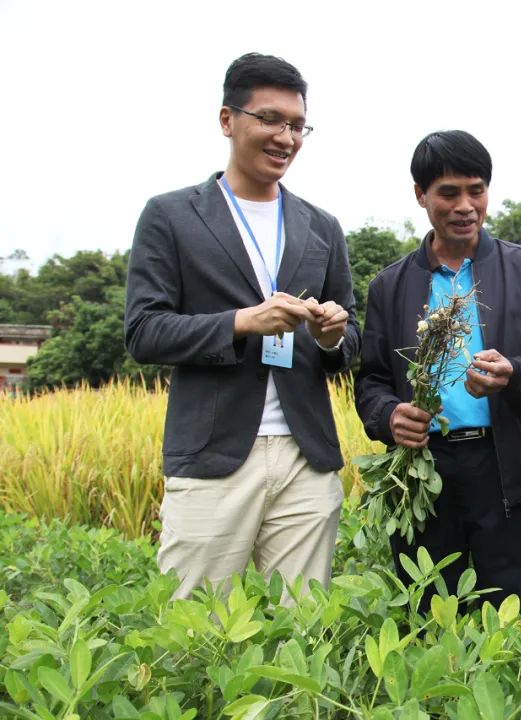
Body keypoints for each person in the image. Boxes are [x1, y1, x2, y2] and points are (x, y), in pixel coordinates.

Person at [125, 52, 360, 600]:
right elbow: (144, 332)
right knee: (193, 632)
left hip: (307, 456)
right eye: (270, 119)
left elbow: (348, 343)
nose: (286, 137)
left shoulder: (321, 226)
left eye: (297, 125)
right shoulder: (171, 215)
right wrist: (240, 322)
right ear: (228, 120)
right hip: (213, 453)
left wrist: (331, 337)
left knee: (303, 633)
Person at [355, 130, 521, 613]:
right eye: (448, 193)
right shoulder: (389, 286)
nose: (465, 205)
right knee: (432, 612)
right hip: (423, 470)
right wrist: (389, 415)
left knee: (514, 611)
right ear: (421, 196)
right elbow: (369, 381)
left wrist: (513, 372)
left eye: (476, 190)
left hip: (504, 467)